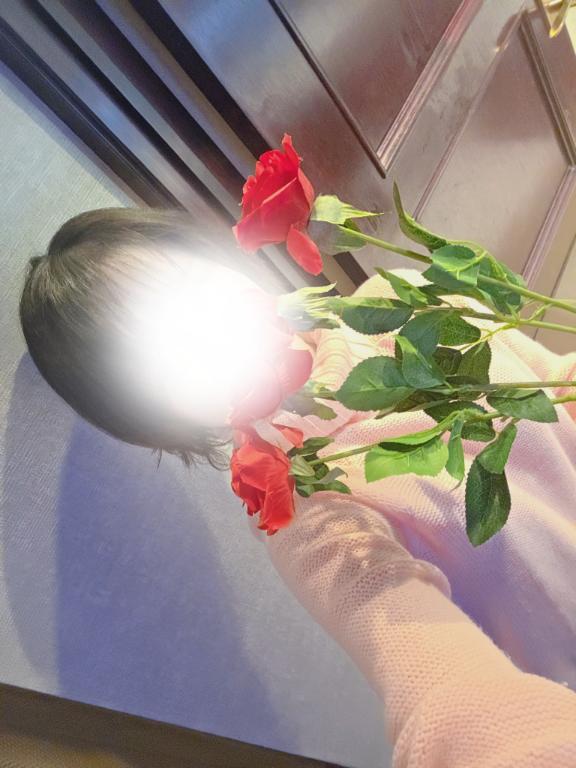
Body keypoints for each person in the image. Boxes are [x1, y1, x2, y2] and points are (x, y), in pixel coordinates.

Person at [20, 208, 576, 766]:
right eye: (155, 357)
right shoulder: (304, 508)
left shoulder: (395, 304)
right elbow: (441, 687)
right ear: (157, 417)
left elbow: (555, 384)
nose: (204, 333)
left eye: (184, 284)